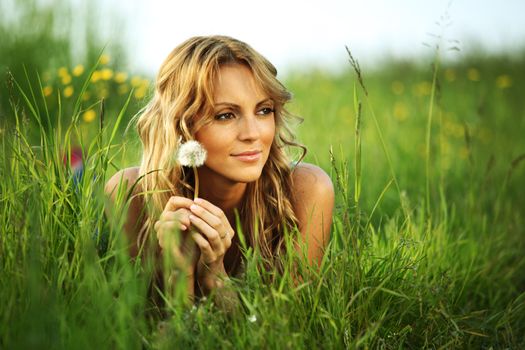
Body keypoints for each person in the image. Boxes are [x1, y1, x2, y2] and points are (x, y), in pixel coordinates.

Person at [104, 35, 334, 307]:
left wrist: (216, 276)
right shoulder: (131, 196)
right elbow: (141, 333)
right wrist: (181, 275)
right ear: (181, 125)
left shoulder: (305, 192)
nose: (253, 134)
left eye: (263, 110)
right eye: (225, 115)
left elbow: (287, 332)